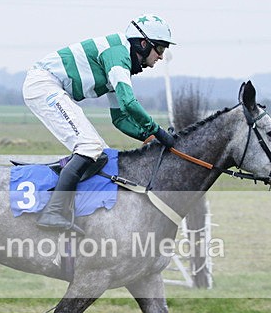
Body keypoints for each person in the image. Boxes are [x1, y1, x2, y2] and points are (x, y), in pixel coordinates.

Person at [22, 14, 177, 233]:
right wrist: (158, 132)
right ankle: (53, 212)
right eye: (160, 49)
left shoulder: (121, 60)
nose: (161, 57)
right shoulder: (117, 55)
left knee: (101, 155)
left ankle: (67, 203)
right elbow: (129, 103)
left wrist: (149, 138)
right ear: (144, 44)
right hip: (44, 85)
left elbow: (120, 118)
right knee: (89, 147)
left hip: (51, 87)